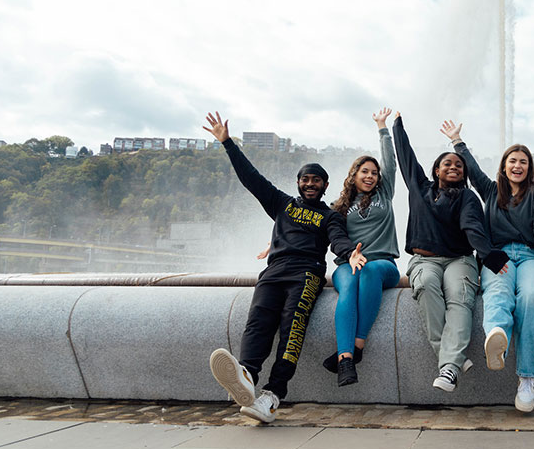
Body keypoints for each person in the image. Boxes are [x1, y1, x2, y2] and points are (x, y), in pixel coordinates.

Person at [203, 111, 364, 423]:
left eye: (316, 180)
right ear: (299, 183)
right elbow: (252, 179)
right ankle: (246, 375)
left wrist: (350, 254)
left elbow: (338, 239)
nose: (310, 184)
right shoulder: (282, 204)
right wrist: (227, 143)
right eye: (306, 179)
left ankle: (273, 395)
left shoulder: (330, 215)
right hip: (274, 271)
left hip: (306, 274)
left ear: (325, 185)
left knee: (293, 330)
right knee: (257, 322)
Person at [441, 121, 534, 412]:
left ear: (529, 167)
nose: (518, 166)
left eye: (523, 161)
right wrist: (458, 141)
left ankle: (526, 378)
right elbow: (472, 170)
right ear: (504, 166)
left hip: (533, 255)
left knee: (533, 298)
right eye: (512, 161)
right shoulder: (491, 190)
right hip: (499, 255)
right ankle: (497, 335)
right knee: (498, 290)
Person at [393, 113, 509, 392]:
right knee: (426, 285)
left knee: (460, 296)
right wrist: (397, 127)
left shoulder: (467, 197)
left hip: (460, 259)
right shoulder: (419, 188)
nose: (454, 167)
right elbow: (405, 157)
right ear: (436, 170)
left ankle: (448, 368)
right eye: (447, 163)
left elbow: (472, 227)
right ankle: (453, 359)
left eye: (459, 165)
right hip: (424, 259)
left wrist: (488, 255)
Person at [322, 107, 400, 387]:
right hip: (347, 264)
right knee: (348, 287)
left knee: (367, 272)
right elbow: (320, 232)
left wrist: (382, 127)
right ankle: (346, 360)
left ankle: (357, 346)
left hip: (382, 265)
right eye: (365, 171)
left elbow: (390, 162)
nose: (371, 176)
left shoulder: (385, 192)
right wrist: (277, 240)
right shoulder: (338, 208)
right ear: (353, 174)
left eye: (374, 173)